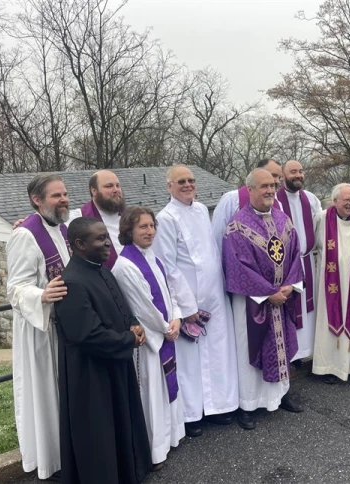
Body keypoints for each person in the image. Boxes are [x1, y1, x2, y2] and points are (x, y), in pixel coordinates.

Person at [54, 217, 151, 484]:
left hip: (114, 363)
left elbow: (119, 305)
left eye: (106, 236)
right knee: (100, 435)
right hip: (91, 375)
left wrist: (133, 324)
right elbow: (86, 334)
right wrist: (127, 340)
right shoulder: (71, 282)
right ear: (79, 244)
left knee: (119, 424)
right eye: (100, 239)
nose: (108, 243)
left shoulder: (100, 269)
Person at [152, 164, 239, 437]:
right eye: (181, 181)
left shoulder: (201, 210)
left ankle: (219, 406)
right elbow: (168, 265)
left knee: (217, 353)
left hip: (214, 295)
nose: (188, 185)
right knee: (190, 360)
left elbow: (211, 250)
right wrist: (186, 307)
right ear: (169, 186)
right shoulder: (165, 218)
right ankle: (192, 415)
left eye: (191, 180)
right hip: (188, 302)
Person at [222, 168, 305, 430]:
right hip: (252, 303)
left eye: (272, 185)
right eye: (264, 186)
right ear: (250, 190)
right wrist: (269, 292)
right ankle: (248, 404)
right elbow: (236, 266)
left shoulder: (283, 220)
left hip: (282, 297)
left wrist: (289, 286)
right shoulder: (237, 225)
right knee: (251, 348)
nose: (270, 190)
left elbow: (295, 254)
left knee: (282, 344)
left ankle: (281, 395)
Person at [6, 174, 70, 480]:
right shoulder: (25, 235)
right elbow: (15, 289)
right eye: (56, 195)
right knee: (44, 396)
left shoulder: (63, 228)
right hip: (39, 330)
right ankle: (49, 462)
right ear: (37, 200)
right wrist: (41, 295)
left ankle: (67, 453)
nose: (63, 199)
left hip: (64, 328)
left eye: (65, 194)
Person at [112, 206, 185, 469]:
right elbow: (143, 307)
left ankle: (171, 437)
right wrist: (166, 328)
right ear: (128, 230)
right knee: (151, 394)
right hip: (149, 342)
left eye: (152, 225)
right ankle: (155, 450)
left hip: (166, 331)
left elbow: (169, 292)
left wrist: (176, 317)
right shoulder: (125, 265)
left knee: (167, 390)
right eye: (143, 227)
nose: (149, 231)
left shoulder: (153, 257)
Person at [312, 183, 350, 384]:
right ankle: (326, 367)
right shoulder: (322, 218)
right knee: (327, 319)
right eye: (346, 200)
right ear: (335, 201)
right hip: (329, 280)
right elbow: (314, 245)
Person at [276, 160, 322, 361]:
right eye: (293, 171)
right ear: (283, 175)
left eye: (301, 171)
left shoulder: (310, 199)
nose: (298, 175)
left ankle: (307, 354)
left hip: (307, 261)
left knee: (308, 307)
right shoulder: (275, 200)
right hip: (286, 265)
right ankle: (291, 356)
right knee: (291, 307)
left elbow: (319, 226)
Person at [211, 158, 283, 252]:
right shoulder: (231, 200)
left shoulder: (277, 204)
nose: (277, 181)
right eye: (273, 175)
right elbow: (218, 235)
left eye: (279, 177)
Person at [68, 169, 126, 268]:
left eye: (117, 185)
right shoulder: (77, 218)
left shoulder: (130, 216)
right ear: (94, 190)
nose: (116, 190)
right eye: (109, 186)